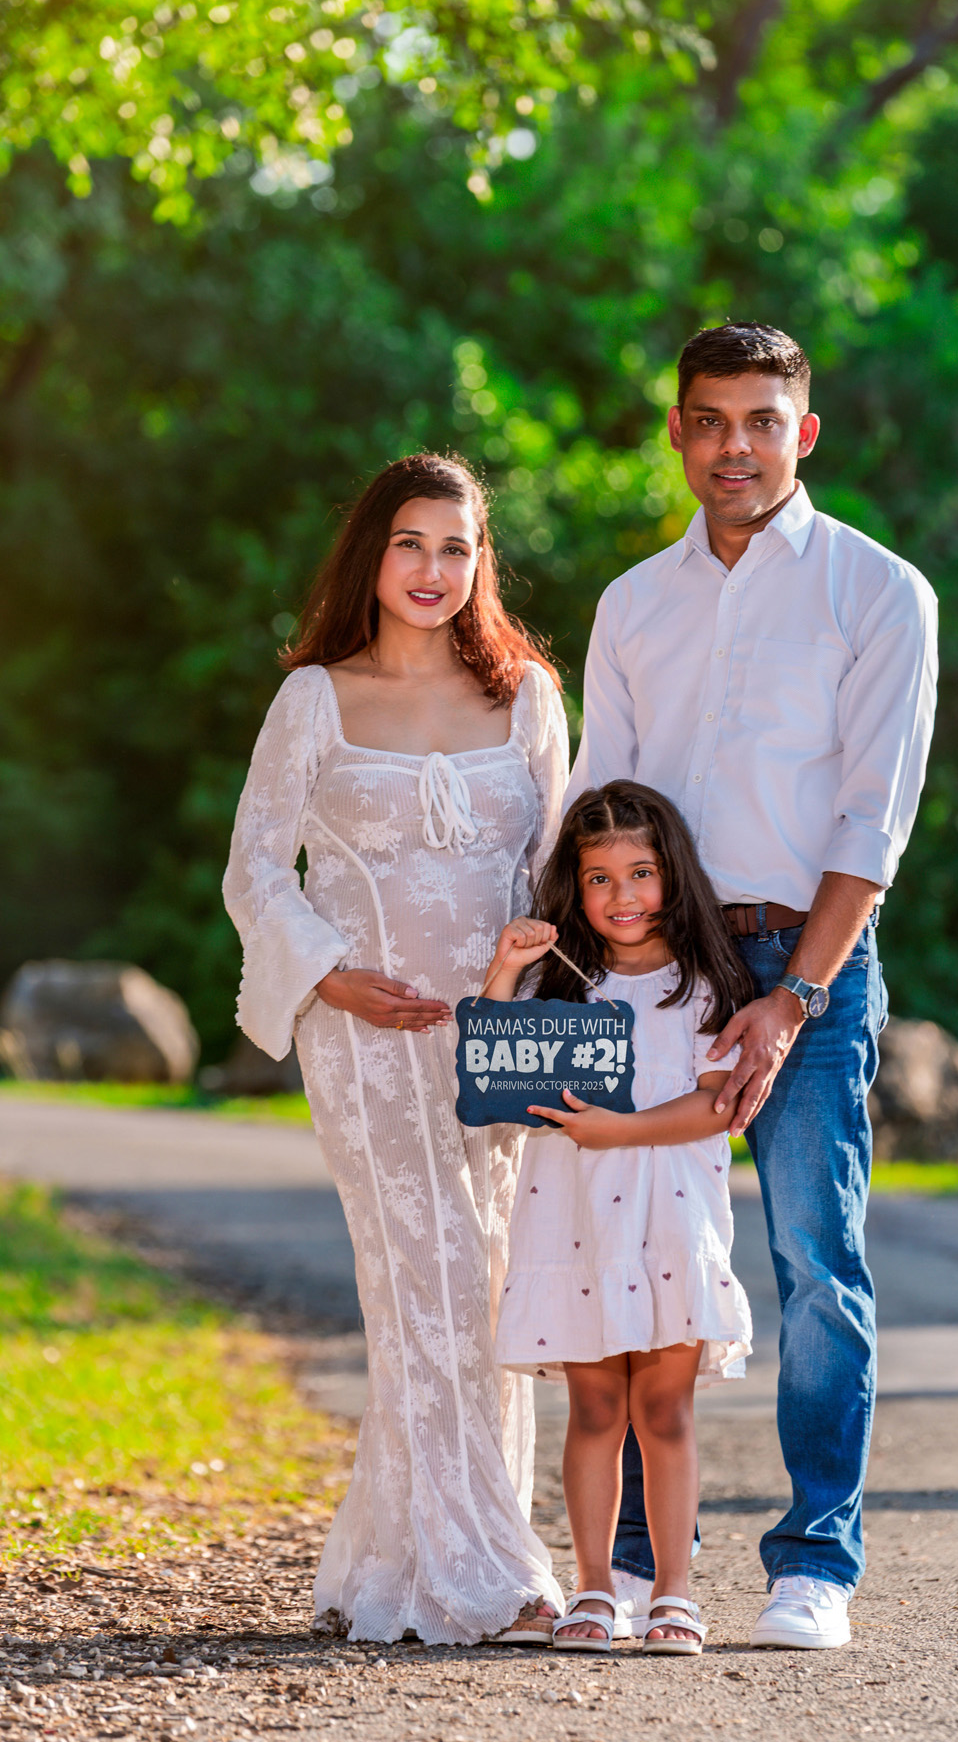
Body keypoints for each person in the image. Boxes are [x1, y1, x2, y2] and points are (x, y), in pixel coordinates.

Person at [568, 322, 938, 1648]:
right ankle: (620, 1568)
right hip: (646, 965)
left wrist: (792, 1000)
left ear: (804, 433)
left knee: (810, 1259)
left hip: (808, 958)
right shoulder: (631, 605)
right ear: (676, 431)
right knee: (629, 1253)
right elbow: (591, 806)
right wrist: (563, 976)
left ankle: (813, 1567)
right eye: (710, 419)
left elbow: (869, 824)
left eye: (761, 420)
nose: (736, 444)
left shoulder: (876, 590)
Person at [222, 452, 568, 1645]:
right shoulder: (314, 696)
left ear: (482, 563)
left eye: (457, 547)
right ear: (370, 554)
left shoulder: (525, 695)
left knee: (493, 1287)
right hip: (363, 1039)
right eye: (410, 544)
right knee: (418, 1280)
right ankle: (493, 1574)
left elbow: (555, 876)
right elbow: (256, 867)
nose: (433, 570)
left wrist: (530, 977)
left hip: (498, 1040)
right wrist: (328, 975)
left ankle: (404, 1556)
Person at [483, 781, 755, 1656]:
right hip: (572, 1224)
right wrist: (500, 969)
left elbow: (716, 1107)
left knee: (665, 1409)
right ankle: (594, 1589)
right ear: (575, 885)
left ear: (672, 873)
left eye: (640, 872)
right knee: (595, 1410)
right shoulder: (559, 984)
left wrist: (621, 1130)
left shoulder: (706, 982)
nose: (622, 895)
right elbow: (490, 1079)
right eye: (598, 879)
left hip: (672, 1216)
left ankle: (674, 1592)